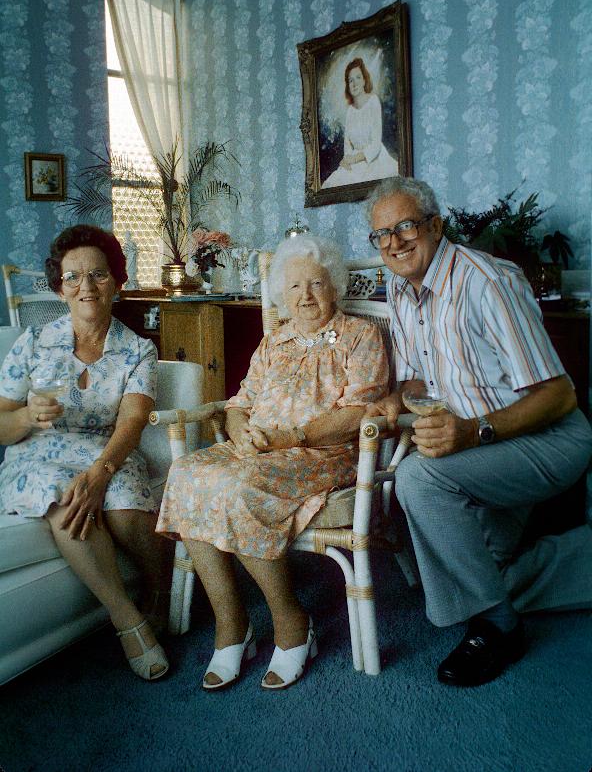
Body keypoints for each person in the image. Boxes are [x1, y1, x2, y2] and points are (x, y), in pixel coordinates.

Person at [365, 176, 592, 687]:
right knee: (482, 566)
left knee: (420, 481)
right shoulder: (400, 288)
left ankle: (497, 625)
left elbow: (561, 397)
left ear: (435, 225)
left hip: (550, 439)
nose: (395, 243)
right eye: (382, 234)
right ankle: (564, 564)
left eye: (406, 226)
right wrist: (393, 399)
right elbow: (419, 375)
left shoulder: (487, 281)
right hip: (489, 444)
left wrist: (472, 433)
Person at [157, 234, 388, 690]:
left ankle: (291, 622)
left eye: (316, 284)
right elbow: (241, 401)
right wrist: (242, 428)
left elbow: (359, 413)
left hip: (324, 454)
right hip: (259, 449)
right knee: (186, 474)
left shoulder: (361, 337)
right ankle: (232, 626)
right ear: (283, 293)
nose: (305, 296)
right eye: (295, 287)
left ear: (334, 287)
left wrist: (289, 436)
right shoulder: (274, 342)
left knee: (241, 486)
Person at [0, 224, 171, 681]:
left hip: (109, 449)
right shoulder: (34, 343)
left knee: (127, 509)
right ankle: (128, 621)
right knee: (66, 500)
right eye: (73, 277)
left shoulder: (138, 350)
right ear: (59, 288)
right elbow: (2, 423)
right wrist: (25, 418)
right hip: (41, 453)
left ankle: (159, 592)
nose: (86, 287)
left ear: (117, 280)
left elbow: (132, 421)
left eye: (98, 274)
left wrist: (101, 473)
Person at [322, 56, 398, 189]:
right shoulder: (350, 111)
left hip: (374, 160)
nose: (354, 83)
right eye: (350, 80)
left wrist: (355, 158)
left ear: (364, 80)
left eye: (358, 78)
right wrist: (347, 160)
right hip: (353, 162)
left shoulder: (373, 101)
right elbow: (347, 146)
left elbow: (376, 145)